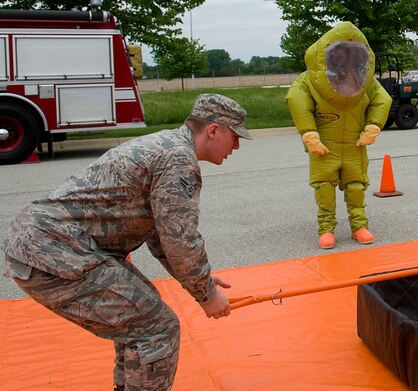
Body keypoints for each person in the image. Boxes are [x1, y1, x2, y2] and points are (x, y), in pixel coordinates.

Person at [1, 93, 250, 391]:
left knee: (141, 319)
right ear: (213, 130)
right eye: (234, 136)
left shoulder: (167, 144)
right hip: (56, 252)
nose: (236, 146)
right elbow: (179, 239)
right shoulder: (177, 159)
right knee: (156, 328)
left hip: (52, 246)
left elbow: (160, 235)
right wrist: (206, 295)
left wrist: (201, 280)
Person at [285, 21, 392, 249]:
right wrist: (309, 133)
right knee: (324, 188)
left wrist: (373, 125)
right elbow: (296, 98)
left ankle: (359, 226)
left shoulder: (365, 81)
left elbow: (382, 99)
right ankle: (326, 229)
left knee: (356, 187)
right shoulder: (310, 80)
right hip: (324, 146)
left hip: (355, 144)